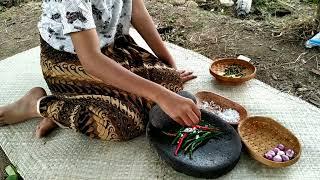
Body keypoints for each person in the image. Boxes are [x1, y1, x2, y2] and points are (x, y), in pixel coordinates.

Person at [0, 0, 200, 141]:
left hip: (113, 48)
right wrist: (160, 94)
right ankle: (38, 105)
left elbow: (138, 12)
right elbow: (92, 60)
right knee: (124, 122)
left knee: (172, 87)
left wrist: (169, 66)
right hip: (69, 60)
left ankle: (73, 104)